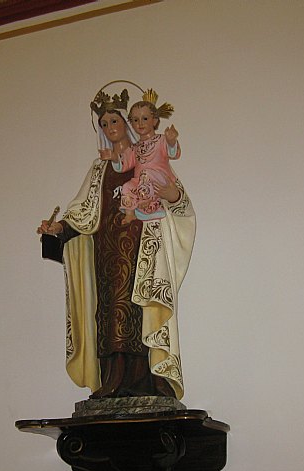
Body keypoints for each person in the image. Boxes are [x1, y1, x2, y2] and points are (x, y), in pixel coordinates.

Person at [36, 86, 195, 400]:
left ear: (129, 123)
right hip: (106, 252)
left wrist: (172, 196)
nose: (110, 128)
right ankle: (113, 376)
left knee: (141, 308)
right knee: (110, 311)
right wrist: (58, 228)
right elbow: (84, 211)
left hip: (142, 249)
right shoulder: (100, 169)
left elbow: (178, 201)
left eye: (115, 121)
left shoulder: (147, 155)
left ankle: (152, 379)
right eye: (104, 124)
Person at [107, 89, 181, 224]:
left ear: (155, 121)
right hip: (141, 181)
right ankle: (130, 213)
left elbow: (172, 153)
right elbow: (124, 164)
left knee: (146, 174)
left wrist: (171, 141)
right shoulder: (135, 148)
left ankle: (148, 202)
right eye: (135, 120)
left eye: (145, 119)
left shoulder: (161, 140)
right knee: (127, 186)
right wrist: (115, 158)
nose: (140, 123)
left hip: (159, 178)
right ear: (131, 124)